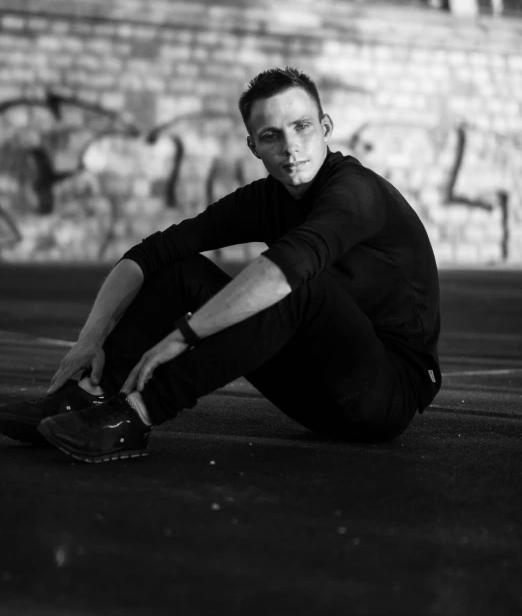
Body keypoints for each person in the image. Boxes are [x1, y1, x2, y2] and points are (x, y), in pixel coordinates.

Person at [0, 67, 441, 464]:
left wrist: (186, 334)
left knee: (296, 285)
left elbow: (285, 269)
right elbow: (150, 253)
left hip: (381, 396)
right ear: (254, 146)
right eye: (271, 136)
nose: (290, 148)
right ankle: (87, 397)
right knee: (180, 270)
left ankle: (135, 415)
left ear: (325, 128)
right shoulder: (266, 198)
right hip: (312, 392)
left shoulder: (356, 194)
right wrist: (90, 337)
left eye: (302, 127)